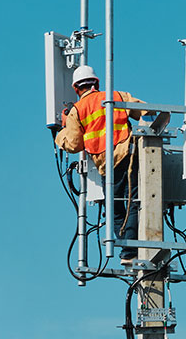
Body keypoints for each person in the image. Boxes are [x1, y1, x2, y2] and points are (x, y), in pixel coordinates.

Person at [55, 65, 151, 264]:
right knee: (133, 200)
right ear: (96, 83)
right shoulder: (117, 96)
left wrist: (62, 131)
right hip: (128, 154)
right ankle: (130, 250)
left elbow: (73, 144)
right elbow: (147, 112)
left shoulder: (76, 111)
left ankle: (128, 250)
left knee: (115, 207)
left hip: (106, 163)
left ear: (76, 88)